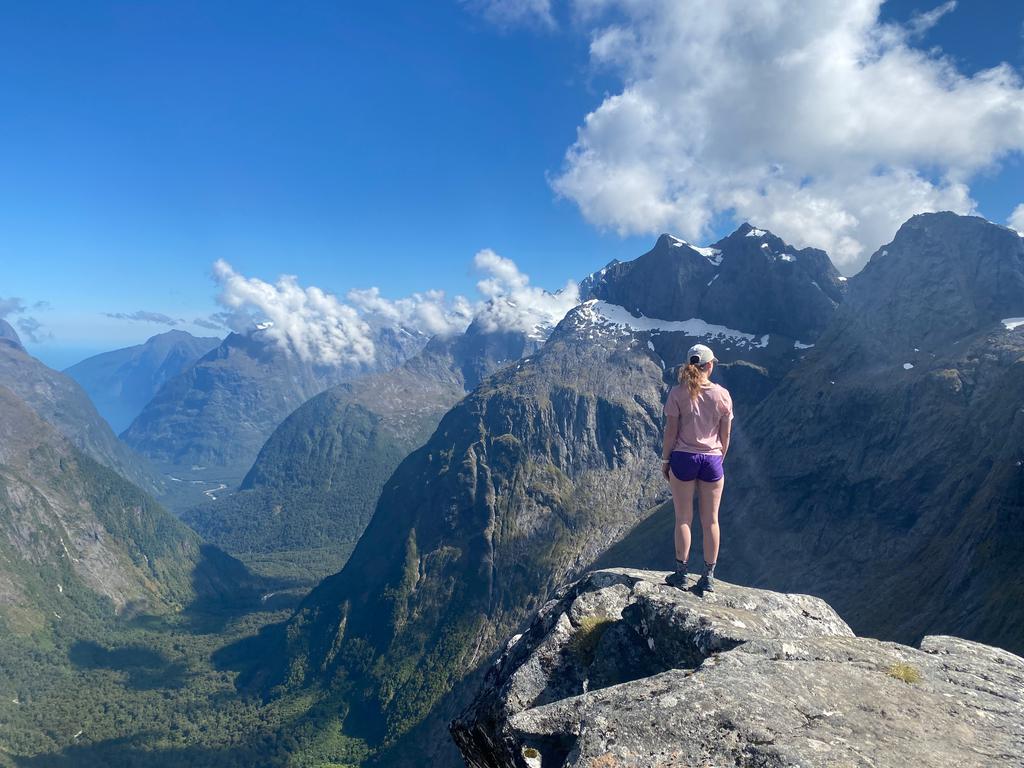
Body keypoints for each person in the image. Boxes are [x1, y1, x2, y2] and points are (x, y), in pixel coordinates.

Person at [661, 343, 733, 593]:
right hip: (712, 460)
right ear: (710, 365)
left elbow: (671, 432)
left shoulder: (677, 393)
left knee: (683, 518)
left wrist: (665, 460)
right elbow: (726, 437)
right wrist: (718, 458)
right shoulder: (722, 395)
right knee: (711, 521)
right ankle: (708, 577)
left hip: (683, 458)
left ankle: (681, 574)